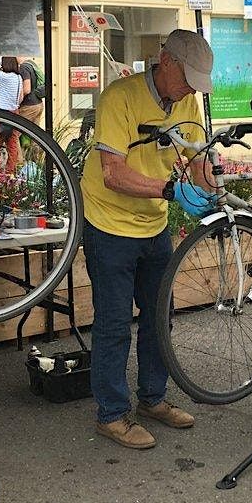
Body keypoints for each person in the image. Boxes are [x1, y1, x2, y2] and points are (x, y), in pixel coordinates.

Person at [80, 29, 218, 450]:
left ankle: (153, 399)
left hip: (153, 224)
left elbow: (196, 161)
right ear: (166, 61)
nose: (190, 89)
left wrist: (214, 184)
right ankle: (112, 414)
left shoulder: (186, 100)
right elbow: (112, 173)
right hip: (110, 224)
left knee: (160, 315)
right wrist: (168, 191)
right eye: (187, 77)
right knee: (115, 322)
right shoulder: (118, 98)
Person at [0, 56, 23, 176]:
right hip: (15, 112)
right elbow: (21, 97)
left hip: (2, 113)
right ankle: (10, 175)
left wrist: (2, 68)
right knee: (12, 145)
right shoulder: (18, 78)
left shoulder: (3, 76)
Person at [17, 58, 45, 127]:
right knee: (34, 132)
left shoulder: (23, 67)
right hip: (38, 104)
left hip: (29, 106)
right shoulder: (31, 64)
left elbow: (27, 90)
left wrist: (18, 101)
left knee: (16, 131)